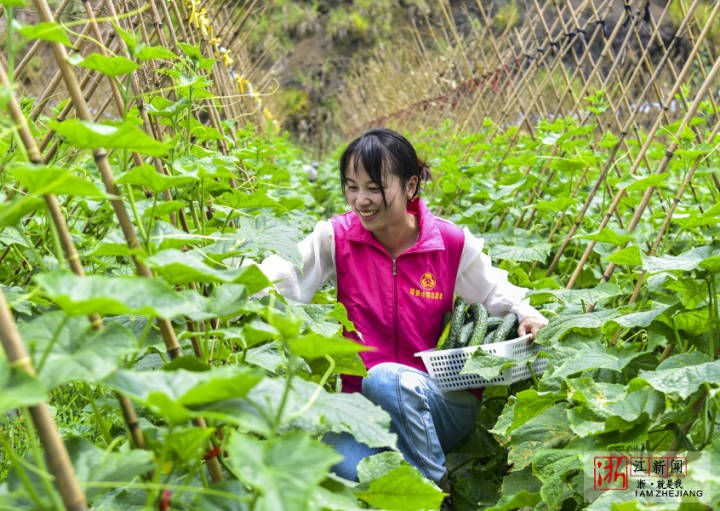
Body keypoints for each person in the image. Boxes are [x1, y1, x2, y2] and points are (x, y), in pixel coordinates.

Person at [252, 128, 548, 498]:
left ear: (410, 186)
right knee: (336, 468)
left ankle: (435, 492)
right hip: (365, 413)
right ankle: (408, 484)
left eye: (374, 187)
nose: (361, 200)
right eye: (351, 186)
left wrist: (525, 313)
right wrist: (230, 282)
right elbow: (283, 273)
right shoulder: (337, 237)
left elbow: (495, 292)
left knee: (386, 378)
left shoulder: (450, 242)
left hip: (440, 403)